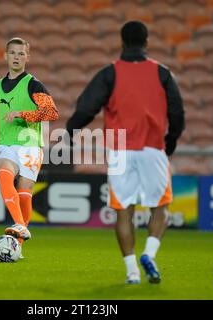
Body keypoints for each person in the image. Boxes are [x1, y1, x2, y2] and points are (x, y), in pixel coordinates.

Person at [66, 21, 185, 284]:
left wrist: (71, 130)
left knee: (124, 212)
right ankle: (150, 255)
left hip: (121, 151)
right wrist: (172, 139)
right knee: (160, 208)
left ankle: (132, 272)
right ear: (147, 43)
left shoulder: (110, 74)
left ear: (122, 42)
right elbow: (177, 112)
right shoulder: (163, 73)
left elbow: (87, 107)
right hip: (153, 149)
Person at [0, 37, 59, 256]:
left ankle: (17, 246)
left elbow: (51, 112)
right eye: (13, 53)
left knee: (24, 192)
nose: (17, 57)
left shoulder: (33, 84)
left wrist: (22, 114)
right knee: (3, 172)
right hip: (6, 145)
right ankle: (21, 225)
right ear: (5, 55)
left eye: (21, 54)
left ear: (27, 57)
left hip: (31, 145)